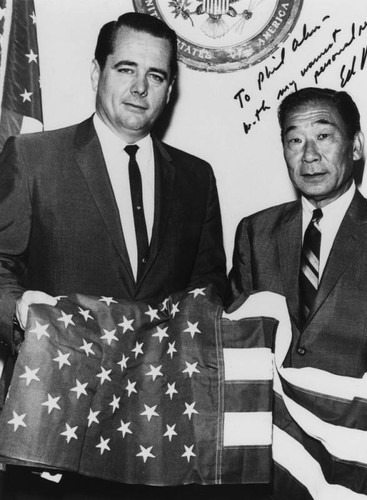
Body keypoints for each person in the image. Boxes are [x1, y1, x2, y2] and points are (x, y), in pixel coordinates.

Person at [0, 11, 227, 499]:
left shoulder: (196, 178)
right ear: (96, 72)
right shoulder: (33, 157)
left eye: (156, 75)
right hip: (54, 427)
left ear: (170, 90)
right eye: (126, 69)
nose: (140, 87)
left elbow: (208, 291)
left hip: (158, 438)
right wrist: (20, 311)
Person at [230, 87, 367, 377]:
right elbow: (237, 335)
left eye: (323, 136)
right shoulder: (255, 232)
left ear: (356, 146)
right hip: (270, 415)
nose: (309, 155)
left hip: (359, 416)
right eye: (295, 140)